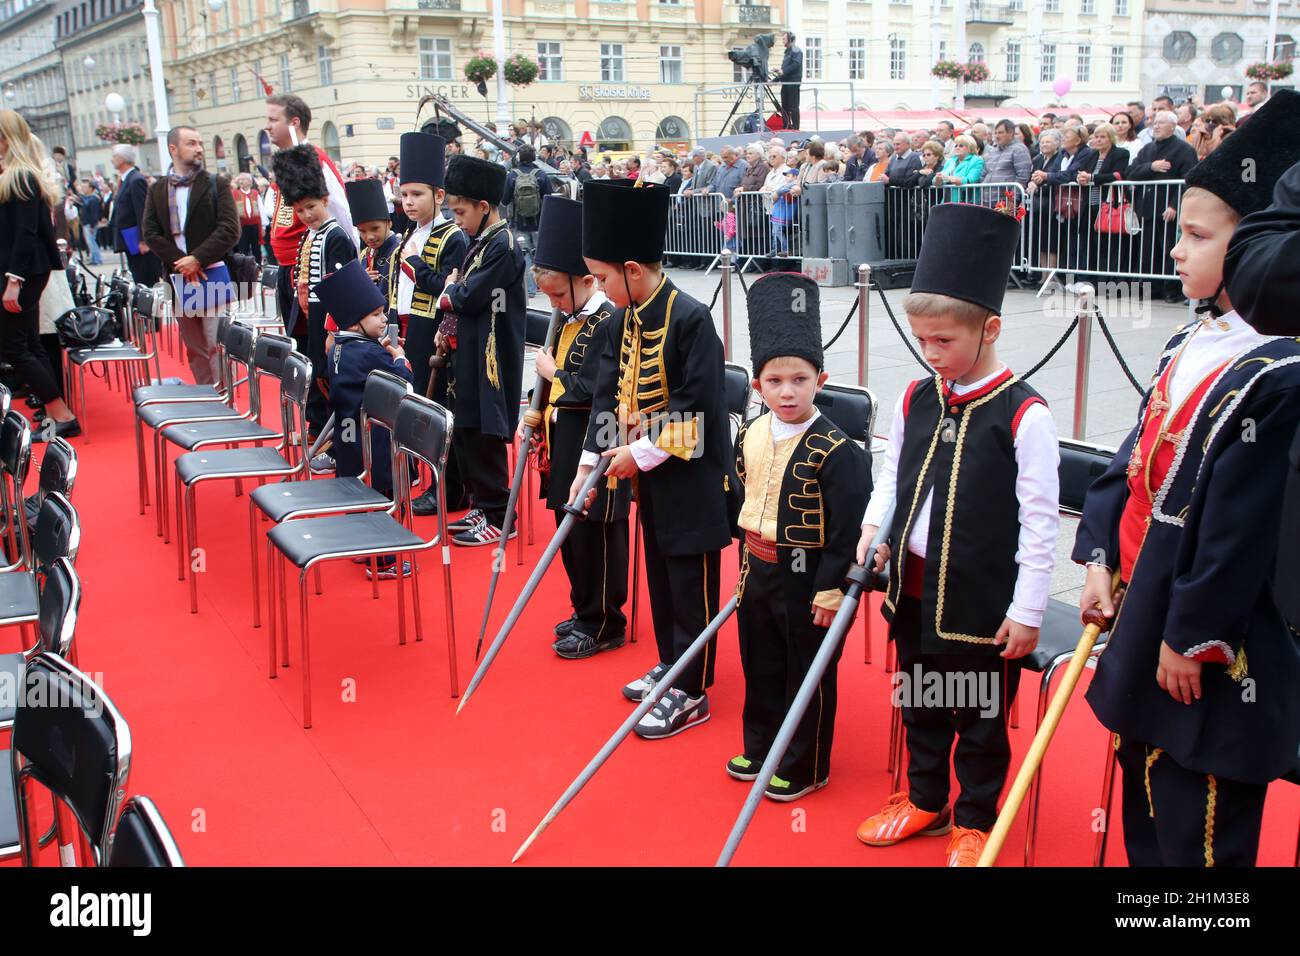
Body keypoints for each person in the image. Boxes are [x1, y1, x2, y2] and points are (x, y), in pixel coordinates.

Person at [1073, 90, 1300, 867]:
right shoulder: (1187, 341)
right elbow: (1130, 460)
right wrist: (1100, 554)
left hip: (1207, 654)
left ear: (1259, 246)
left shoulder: (1278, 367)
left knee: (1198, 835)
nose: (1177, 251)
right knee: (1145, 809)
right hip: (1144, 615)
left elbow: (1240, 527)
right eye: (1179, 231)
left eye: (1197, 237)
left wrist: (1193, 637)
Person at [855, 201, 1060, 866]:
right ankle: (924, 798)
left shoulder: (1024, 415)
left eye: (944, 341)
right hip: (911, 588)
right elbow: (893, 477)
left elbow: (1039, 524)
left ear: (991, 327)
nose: (931, 353)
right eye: (922, 341)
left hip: (980, 601)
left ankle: (975, 815)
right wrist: (872, 528)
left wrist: (1029, 610)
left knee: (978, 714)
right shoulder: (916, 398)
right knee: (917, 698)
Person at [573, 181, 730, 739]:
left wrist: (637, 454)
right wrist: (589, 462)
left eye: (604, 276)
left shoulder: (691, 319)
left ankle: (693, 689)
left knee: (692, 584)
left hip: (692, 478)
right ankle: (672, 660)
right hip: (647, 477)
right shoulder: (620, 320)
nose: (600, 287)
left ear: (633, 269)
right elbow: (607, 393)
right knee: (661, 578)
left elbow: (698, 406)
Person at [728, 272, 870, 800]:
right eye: (773, 381)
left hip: (808, 577)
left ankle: (805, 763)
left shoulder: (839, 451)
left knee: (805, 672)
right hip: (756, 569)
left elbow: (848, 529)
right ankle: (762, 745)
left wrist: (832, 588)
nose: (786, 392)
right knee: (759, 660)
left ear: (821, 380)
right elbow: (740, 494)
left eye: (799, 380)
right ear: (758, 384)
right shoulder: (750, 432)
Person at [525, 195, 631, 659]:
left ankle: (605, 618)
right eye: (548, 297)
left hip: (598, 438)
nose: (555, 305)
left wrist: (553, 376)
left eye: (560, 295)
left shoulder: (608, 320)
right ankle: (582, 604)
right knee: (566, 530)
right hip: (560, 442)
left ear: (589, 280)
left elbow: (594, 387)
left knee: (595, 532)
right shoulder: (569, 320)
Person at [434, 155, 526, 546]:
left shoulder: (502, 246)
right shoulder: (480, 240)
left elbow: (469, 295)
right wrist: (453, 290)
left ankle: (500, 513)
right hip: (468, 351)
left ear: (484, 207)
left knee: (485, 434)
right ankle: (480, 501)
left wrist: (449, 292)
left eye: (461, 212)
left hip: (490, 356)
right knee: (467, 428)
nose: (457, 220)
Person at [314, 258, 415, 577]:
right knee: (381, 494)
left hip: (347, 433)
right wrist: (399, 359)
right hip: (373, 436)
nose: (384, 319)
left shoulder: (340, 347)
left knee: (357, 492)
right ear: (354, 322)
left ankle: (361, 546)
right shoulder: (371, 353)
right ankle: (383, 560)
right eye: (375, 315)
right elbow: (401, 386)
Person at [387, 132, 468, 514]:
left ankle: (448, 489)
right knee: (418, 404)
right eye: (404, 195)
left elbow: (448, 291)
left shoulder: (452, 237)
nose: (408, 202)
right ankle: (427, 476)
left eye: (417, 195)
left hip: (433, 331)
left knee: (436, 408)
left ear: (438, 196)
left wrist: (417, 266)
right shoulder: (409, 234)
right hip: (407, 327)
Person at [265, 93, 352, 437]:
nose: (267, 126)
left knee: (315, 348)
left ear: (293, 122)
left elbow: (341, 209)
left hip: (314, 269)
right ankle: (314, 419)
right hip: (290, 268)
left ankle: (322, 426)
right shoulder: (285, 163)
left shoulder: (314, 158)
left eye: (273, 119)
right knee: (300, 346)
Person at [141, 126, 241, 387]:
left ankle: (224, 399)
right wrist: (181, 262)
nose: (199, 148)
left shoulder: (214, 184)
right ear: (173, 149)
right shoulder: (158, 189)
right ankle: (206, 395)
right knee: (194, 346)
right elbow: (150, 233)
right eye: (191, 143)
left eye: (200, 143)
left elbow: (230, 229)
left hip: (211, 272)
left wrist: (197, 258)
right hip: (178, 277)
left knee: (216, 343)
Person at [0, 110, 79, 438]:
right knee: (28, 345)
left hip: (21, 275)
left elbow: (26, 233)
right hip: (22, 273)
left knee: (16, 348)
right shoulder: (15, 174)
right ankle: (57, 413)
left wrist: (13, 281)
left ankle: (62, 413)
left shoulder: (20, 176)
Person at [1126, 110, 1198, 302]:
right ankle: (1151, 288)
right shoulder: (1147, 150)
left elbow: (1188, 179)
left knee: (1168, 250)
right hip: (1148, 208)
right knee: (1147, 251)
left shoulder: (1184, 150)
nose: (1155, 126)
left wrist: (1175, 205)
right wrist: (1151, 167)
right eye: (1154, 123)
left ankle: (1171, 289)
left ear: (1173, 126)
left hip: (1169, 209)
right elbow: (1130, 172)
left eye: (1161, 123)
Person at [1071, 122, 1129, 284]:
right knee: (1089, 244)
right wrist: (1080, 178)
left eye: (1102, 137)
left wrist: (1092, 178)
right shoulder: (1091, 155)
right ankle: (1090, 280)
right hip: (1090, 205)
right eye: (1096, 137)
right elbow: (1080, 172)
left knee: (1107, 245)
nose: (1098, 140)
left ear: (1111, 138)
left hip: (1109, 206)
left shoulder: (1120, 154)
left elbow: (1118, 175)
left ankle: (1108, 281)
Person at [502, 145, 553, 297]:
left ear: (518, 158)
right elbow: (549, 197)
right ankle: (542, 286)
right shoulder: (541, 174)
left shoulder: (512, 175)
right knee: (539, 255)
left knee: (523, 255)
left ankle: (528, 289)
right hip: (539, 222)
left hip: (519, 223)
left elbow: (504, 200)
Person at [109, 144, 161, 286]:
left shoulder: (135, 180)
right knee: (138, 274)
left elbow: (142, 211)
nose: (112, 160)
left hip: (135, 238)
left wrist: (143, 240)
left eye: (114, 156)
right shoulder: (127, 180)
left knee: (144, 277)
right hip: (129, 237)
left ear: (122, 159)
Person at [981, 119, 1032, 188]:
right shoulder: (992, 152)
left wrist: (1012, 196)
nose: (997, 136)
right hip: (987, 197)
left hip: (1007, 197)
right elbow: (983, 174)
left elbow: (1023, 177)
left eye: (1000, 132)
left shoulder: (1019, 149)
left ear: (1010, 133)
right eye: (995, 133)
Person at [232, 172, 263, 264]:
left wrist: (264, 226)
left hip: (255, 225)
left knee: (256, 248)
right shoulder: (234, 193)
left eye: (243, 179)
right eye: (239, 179)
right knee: (243, 248)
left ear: (250, 182)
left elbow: (261, 209)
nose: (241, 181)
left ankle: (258, 266)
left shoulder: (255, 193)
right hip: (242, 226)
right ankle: (245, 268)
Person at [774, 31, 803, 130]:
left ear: (790, 39)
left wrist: (783, 71)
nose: (782, 41)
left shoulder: (796, 51)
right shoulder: (787, 52)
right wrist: (774, 80)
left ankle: (795, 127)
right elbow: (784, 70)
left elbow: (795, 65)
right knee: (784, 106)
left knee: (793, 106)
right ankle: (786, 125)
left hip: (793, 83)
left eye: (784, 39)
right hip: (786, 83)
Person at [78, 180, 104, 265]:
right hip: (86, 223)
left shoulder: (93, 199)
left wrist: (93, 225)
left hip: (90, 224)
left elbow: (94, 214)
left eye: (85, 187)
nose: (83, 189)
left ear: (91, 188)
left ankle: (97, 259)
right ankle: (94, 258)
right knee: (90, 242)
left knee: (92, 241)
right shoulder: (88, 198)